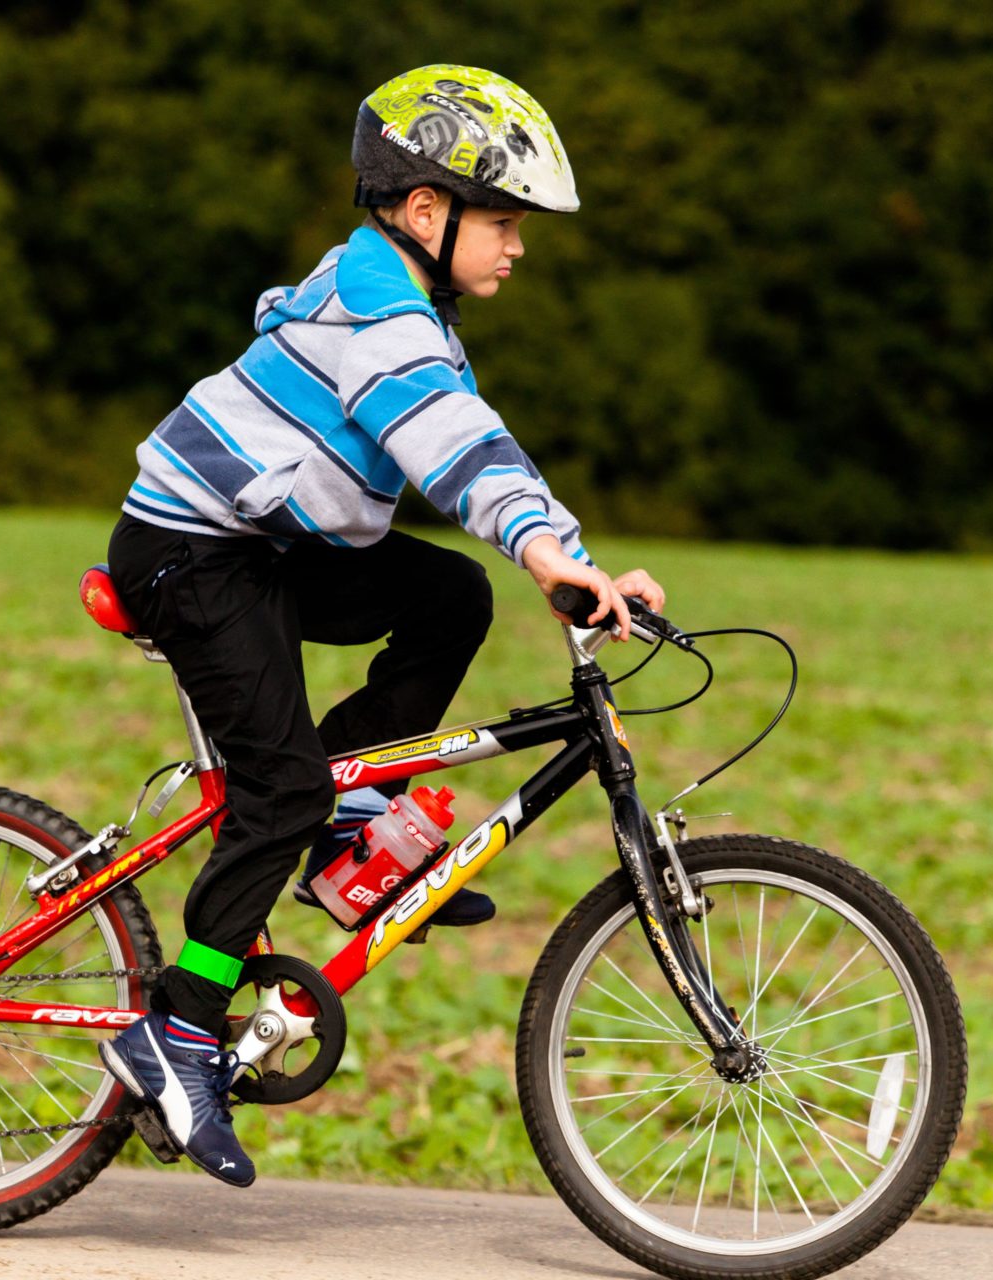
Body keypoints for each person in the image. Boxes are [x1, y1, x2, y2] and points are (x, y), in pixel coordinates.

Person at [97, 64, 665, 1187]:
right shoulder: (377, 307)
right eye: (502, 221)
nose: (516, 245)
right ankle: (178, 1027)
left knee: (452, 595)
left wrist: (566, 554)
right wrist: (552, 551)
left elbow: (478, 436)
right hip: (193, 555)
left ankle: (347, 819)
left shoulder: (412, 300)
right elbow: (449, 444)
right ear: (423, 211)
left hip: (268, 549)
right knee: (279, 786)